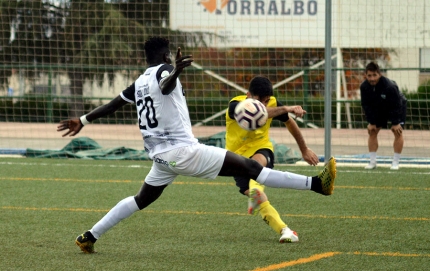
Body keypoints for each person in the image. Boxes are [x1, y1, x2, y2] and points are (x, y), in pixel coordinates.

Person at [57, 37, 337, 254]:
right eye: (169, 56)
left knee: (141, 199)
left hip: (160, 156)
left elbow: (114, 104)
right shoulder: (165, 71)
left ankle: (89, 236)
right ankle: (317, 185)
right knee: (252, 168)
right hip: (183, 151)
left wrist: (83, 119)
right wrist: (175, 71)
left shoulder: (139, 82)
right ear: (166, 56)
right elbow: (166, 85)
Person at [225, 76, 319, 243]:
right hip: (236, 158)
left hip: (261, 149)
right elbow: (259, 112)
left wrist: (304, 149)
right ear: (248, 95)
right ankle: (286, 230)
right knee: (260, 201)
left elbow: (290, 123)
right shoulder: (235, 105)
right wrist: (287, 108)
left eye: (267, 101)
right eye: (260, 101)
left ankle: (256, 190)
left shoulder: (274, 103)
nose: (264, 105)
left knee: (257, 164)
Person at [360, 62, 407, 170]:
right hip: (379, 108)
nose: (372, 78)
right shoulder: (364, 87)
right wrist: (371, 122)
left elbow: (397, 104)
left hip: (396, 107)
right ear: (365, 75)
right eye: (369, 76)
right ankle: (372, 162)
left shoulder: (390, 86)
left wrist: (395, 123)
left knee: (397, 132)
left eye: (374, 75)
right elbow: (366, 105)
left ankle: (395, 163)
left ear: (379, 74)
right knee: (372, 131)